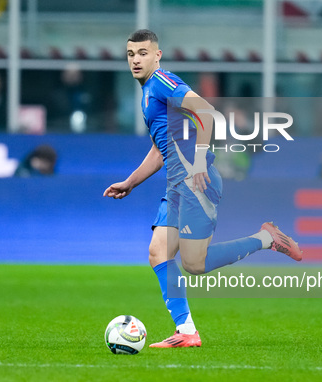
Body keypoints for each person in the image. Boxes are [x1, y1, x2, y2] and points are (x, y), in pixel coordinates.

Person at [103, 30, 303, 349]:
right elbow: (160, 149)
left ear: (157, 55)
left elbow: (208, 112)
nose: (136, 60)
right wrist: (130, 182)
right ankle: (186, 332)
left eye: (143, 53)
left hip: (197, 181)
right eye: (131, 54)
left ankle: (267, 238)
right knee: (158, 252)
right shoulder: (147, 95)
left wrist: (198, 161)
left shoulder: (162, 82)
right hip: (178, 184)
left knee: (194, 264)